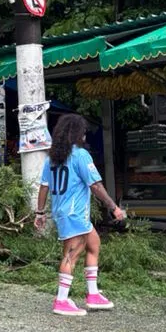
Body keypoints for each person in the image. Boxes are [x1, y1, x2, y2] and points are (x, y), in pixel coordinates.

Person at [34, 113, 125, 316]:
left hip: (64, 212)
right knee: (71, 254)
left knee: (94, 244)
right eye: (83, 133)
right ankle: (61, 300)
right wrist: (113, 207)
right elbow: (95, 185)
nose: (84, 137)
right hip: (74, 213)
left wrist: (40, 213)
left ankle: (93, 295)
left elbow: (43, 187)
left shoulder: (53, 158)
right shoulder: (81, 155)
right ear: (76, 134)